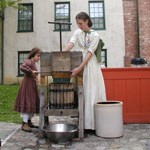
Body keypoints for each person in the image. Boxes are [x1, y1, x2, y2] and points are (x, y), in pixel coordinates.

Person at [64, 12, 107, 130]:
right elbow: (71, 43)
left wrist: (79, 68)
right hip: (80, 61)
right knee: (82, 93)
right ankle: (84, 123)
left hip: (90, 65)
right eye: (78, 23)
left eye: (81, 23)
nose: (79, 26)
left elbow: (89, 53)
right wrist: (62, 53)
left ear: (87, 21)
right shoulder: (78, 32)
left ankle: (93, 124)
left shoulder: (95, 35)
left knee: (91, 91)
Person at [14, 47, 42, 132]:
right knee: (27, 102)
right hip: (27, 85)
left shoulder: (33, 62)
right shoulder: (28, 61)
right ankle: (24, 124)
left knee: (32, 102)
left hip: (32, 85)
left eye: (40, 56)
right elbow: (22, 67)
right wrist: (31, 72)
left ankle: (29, 122)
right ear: (33, 55)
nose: (39, 57)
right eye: (38, 55)